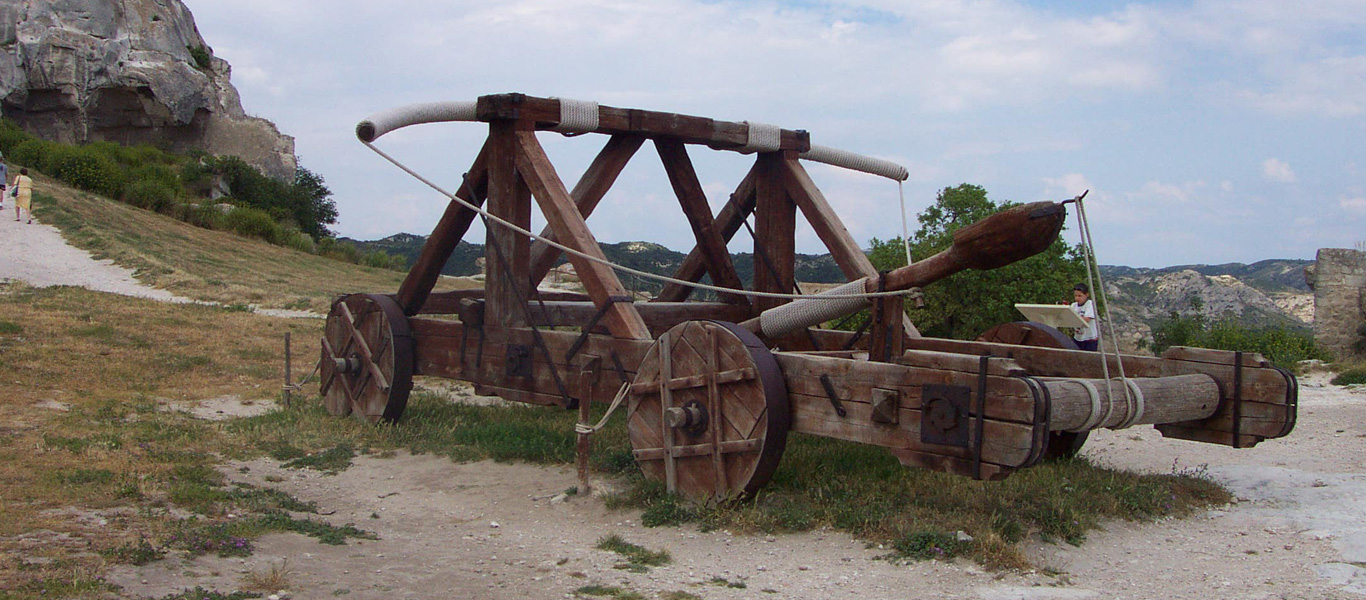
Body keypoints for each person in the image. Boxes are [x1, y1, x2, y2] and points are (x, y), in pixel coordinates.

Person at [1069, 283, 1099, 351]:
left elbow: (1086, 319)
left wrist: (1073, 318)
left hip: (1089, 339)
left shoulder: (1089, 304)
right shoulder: (1073, 305)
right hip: (1078, 338)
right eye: (1075, 296)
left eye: (1080, 296)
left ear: (1086, 295)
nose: (1077, 298)